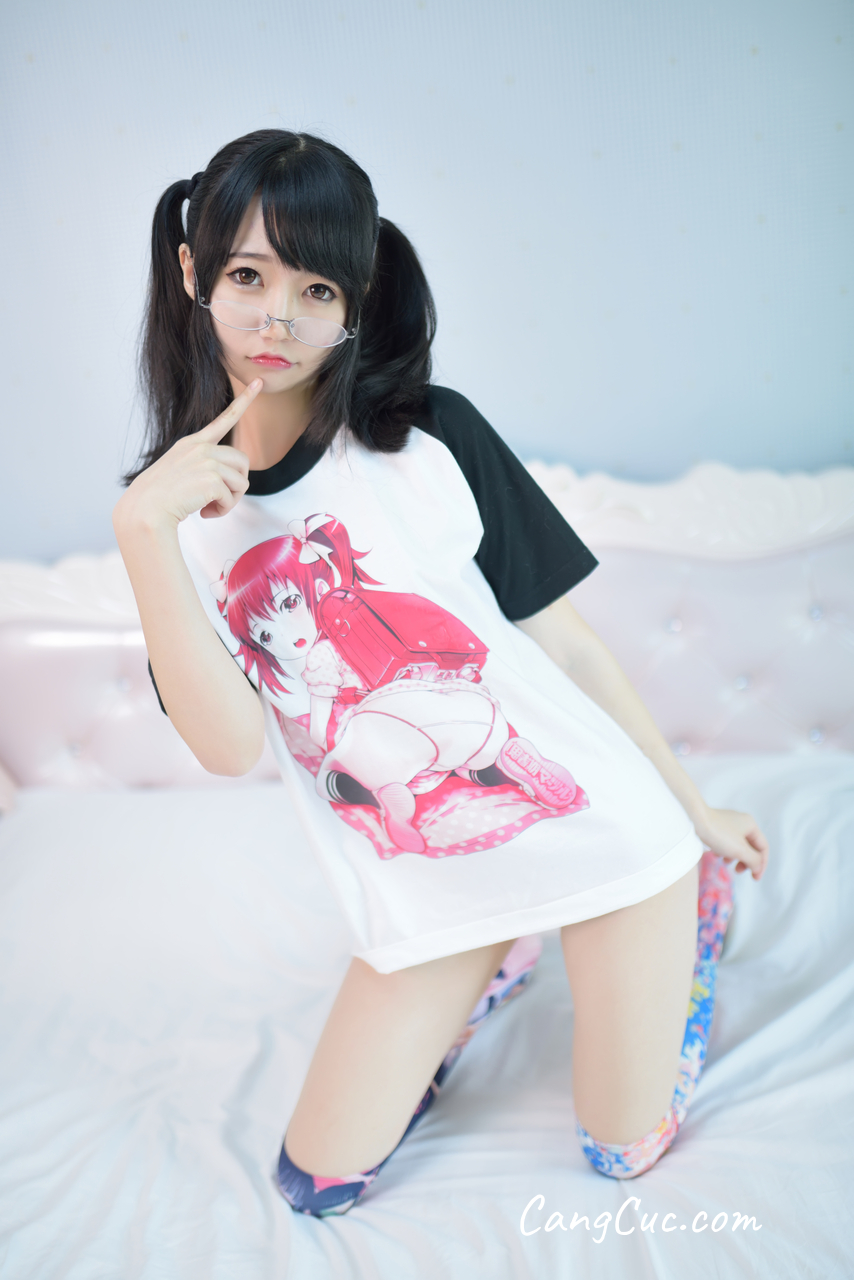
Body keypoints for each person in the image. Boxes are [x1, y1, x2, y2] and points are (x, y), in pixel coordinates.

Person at [113, 128, 769, 1216]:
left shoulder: (424, 438)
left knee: (621, 1152)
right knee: (314, 1184)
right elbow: (229, 749)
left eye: (316, 289)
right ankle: (495, 959)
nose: (279, 319)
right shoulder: (174, 521)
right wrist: (142, 530)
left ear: (355, 302)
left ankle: (686, 903)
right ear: (192, 272)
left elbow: (564, 644)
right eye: (248, 277)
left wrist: (692, 809)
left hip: (603, 833)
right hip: (429, 880)